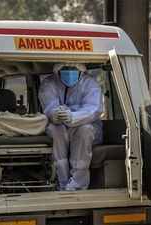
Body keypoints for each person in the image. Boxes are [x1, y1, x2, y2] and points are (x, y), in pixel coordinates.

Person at [39, 63, 103, 191]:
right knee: (55, 130)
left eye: (73, 68)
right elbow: (49, 105)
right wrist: (55, 114)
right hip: (60, 127)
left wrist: (74, 117)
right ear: (58, 70)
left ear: (80, 69)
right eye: (65, 69)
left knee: (84, 131)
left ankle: (78, 184)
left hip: (86, 125)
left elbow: (94, 109)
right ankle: (62, 182)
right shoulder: (49, 83)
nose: (69, 72)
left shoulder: (90, 83)